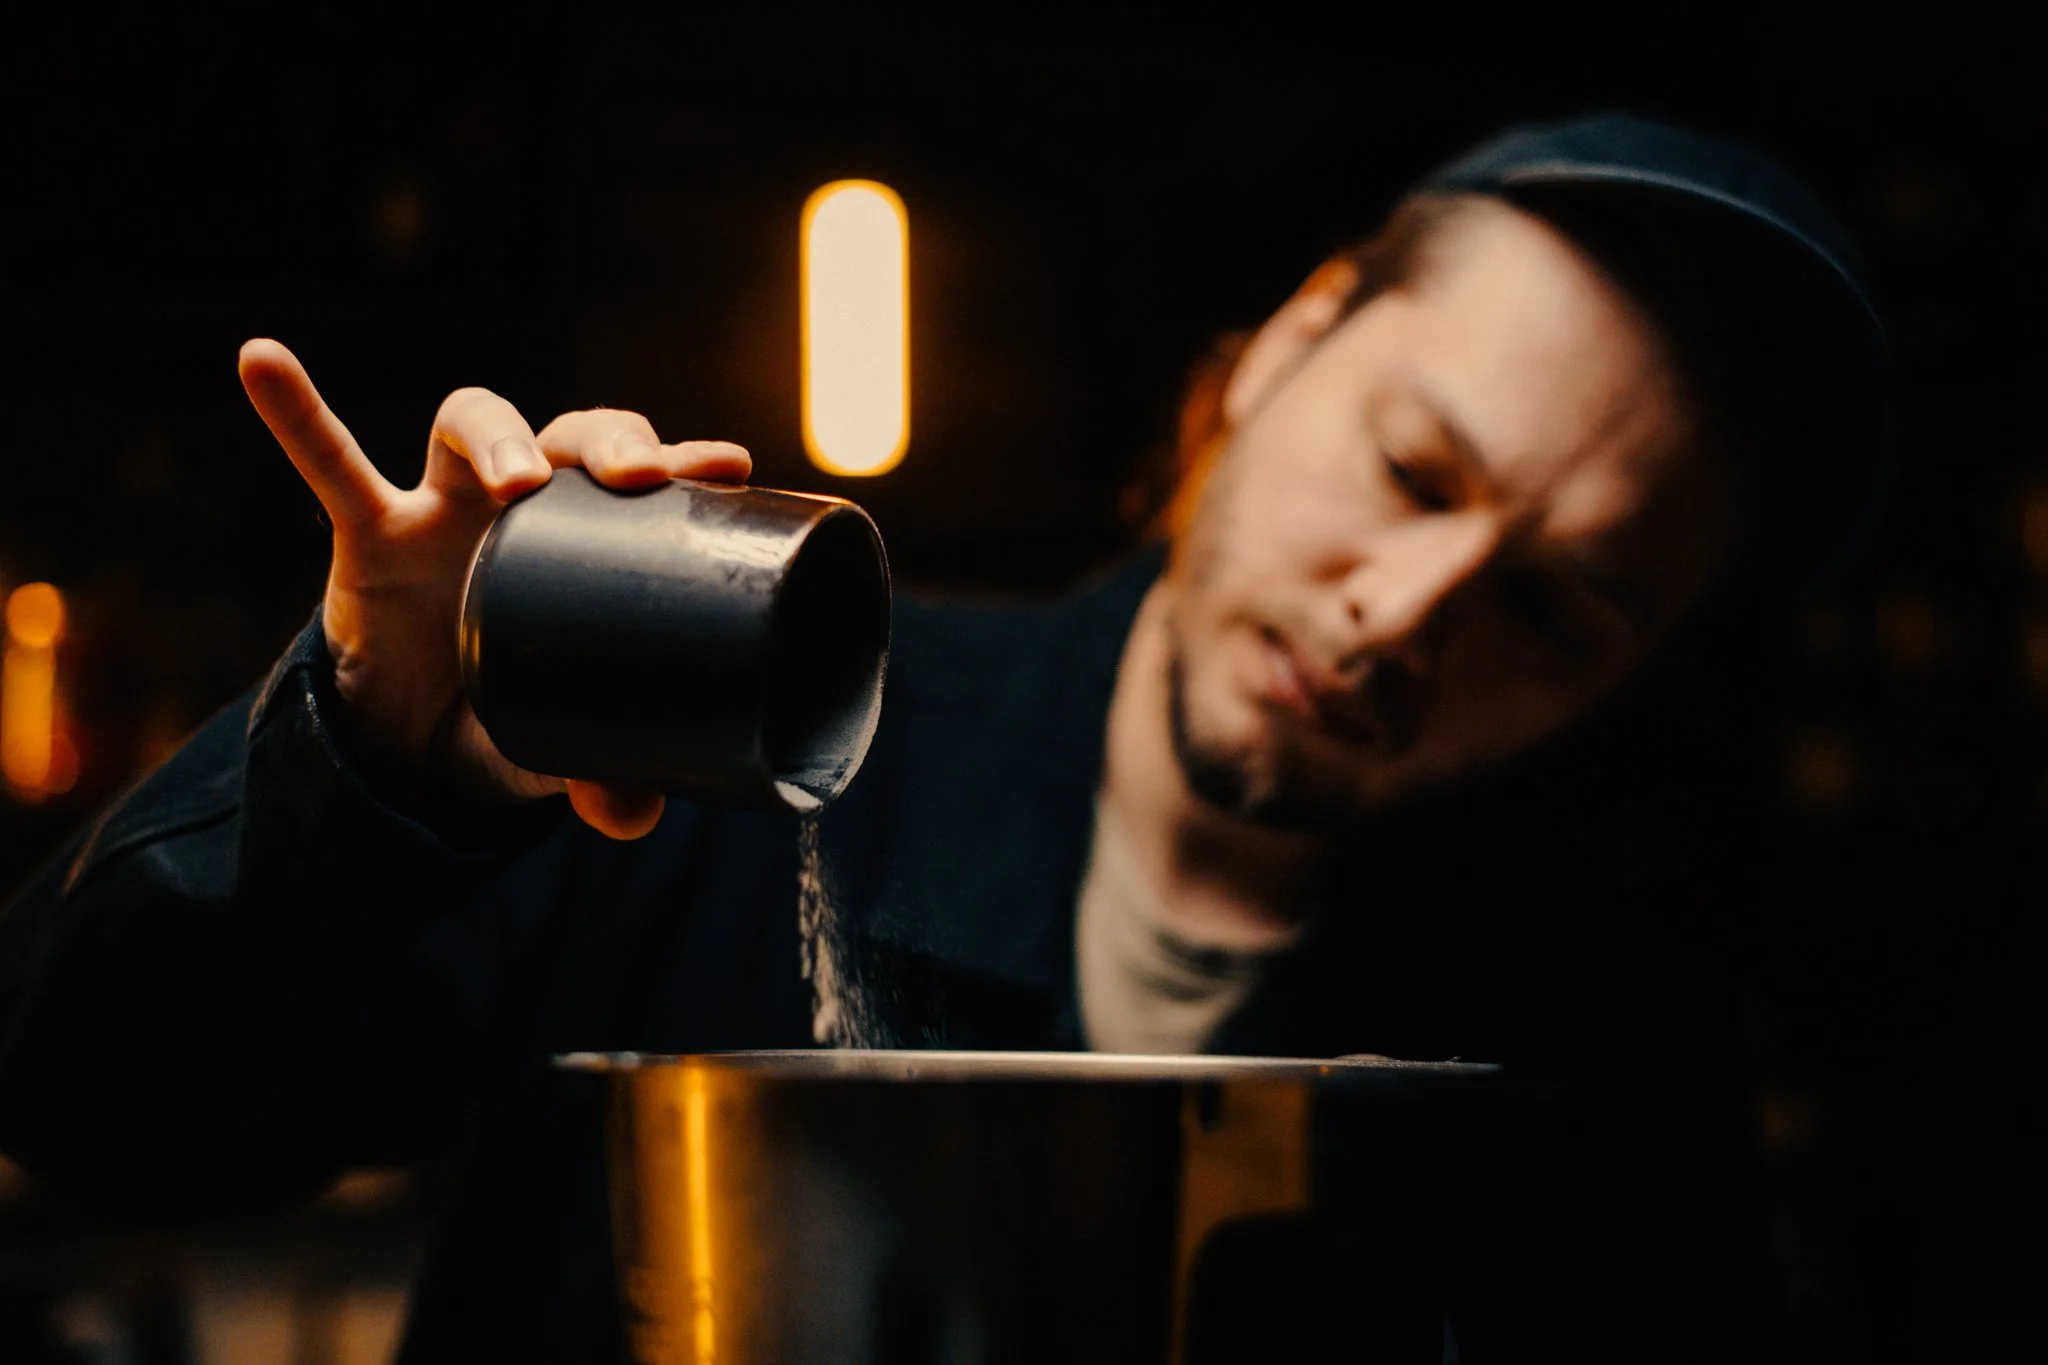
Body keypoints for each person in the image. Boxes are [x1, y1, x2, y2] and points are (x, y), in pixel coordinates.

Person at [0, 113, 1889, 1361]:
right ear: (1288, 348)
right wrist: (368, 769)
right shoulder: (728, 744)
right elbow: (89, 1118)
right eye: (1412, 469)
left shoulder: (1607, 1050)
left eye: (1554, 610)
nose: (1404, 614)